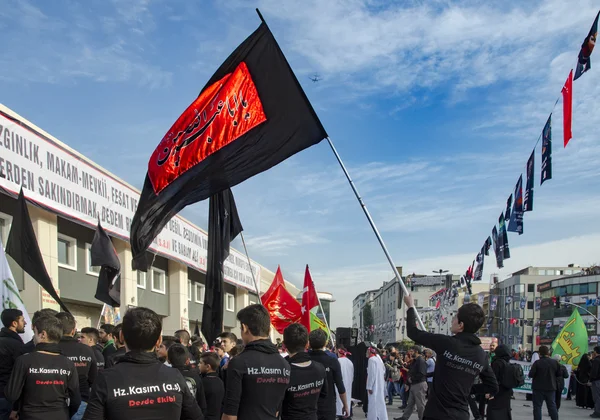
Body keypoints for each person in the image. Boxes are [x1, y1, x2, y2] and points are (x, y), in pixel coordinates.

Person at [82, 307, 202, 420]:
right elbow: (196, 417)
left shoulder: (106, 379)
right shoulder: (175, 376)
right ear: (159, 340)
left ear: (121, 336)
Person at [403, 294, 498, 420]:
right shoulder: (481, 355)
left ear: (461, 325)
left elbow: (413, 332)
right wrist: (468, 390)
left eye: (455, 317)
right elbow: (493, 386)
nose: (452, 320)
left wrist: (410, 307)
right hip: (460, 415)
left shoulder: (447, 343)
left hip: (436, 414)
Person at [5, 314, 81, 420]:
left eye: (35, 333)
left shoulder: (24, 360)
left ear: (43, 334)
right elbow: (76, 400)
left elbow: (11, 395)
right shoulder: (68, 363)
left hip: (31, 415)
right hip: (60, 414)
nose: (34, 338)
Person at [222, 304, 290, 420]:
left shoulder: (239, 363)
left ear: (244, 328)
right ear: (268, 330)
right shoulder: (284, 364)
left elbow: (230, 415)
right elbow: (277, 410)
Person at [55, 312, 98, 420]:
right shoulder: (87, 350)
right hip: (81, 401)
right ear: (73, 330)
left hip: (55, 403)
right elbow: (94, 379)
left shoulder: (50, 349)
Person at [281, 323, 326, 420]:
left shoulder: (284, 372)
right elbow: (323, 395)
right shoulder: (320, 368)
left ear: (284, 344)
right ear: (307, 344)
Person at [308, 329, 349, 420]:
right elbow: (340, 385)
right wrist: (345, 405)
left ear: (309, 343)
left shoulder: (304, 360)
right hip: (327, 407)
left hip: (308, 407)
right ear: (325, 343)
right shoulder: (332, 361)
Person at [0, 309, 27, 420]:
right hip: (7, 398)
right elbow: (19, 376)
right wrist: (16, 407)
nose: (25, 323)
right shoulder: (16, 345)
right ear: (14, 323)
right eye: (22, 320)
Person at [168, 344, 207, 414]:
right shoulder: (195, 377)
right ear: (188, 360)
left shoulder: (166, 376)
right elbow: (202, 402)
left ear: (168, 360)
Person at [528, 345, 560, 420]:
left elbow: (531, 375)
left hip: (538, 387)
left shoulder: (537, 363)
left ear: (539, 353)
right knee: (552, 406)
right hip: (551, 387)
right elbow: (559, 374)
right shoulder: (555, 362)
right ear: (548, 353)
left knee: (537, 407)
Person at [396, 346, 427, 420]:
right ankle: (404, 417)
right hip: (413, 384)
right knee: (410, 403)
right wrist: (407, 382)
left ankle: (422, 418)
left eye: (412, 351)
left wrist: (411, 379)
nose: (410, 353)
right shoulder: (415, 361)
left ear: (416, 351)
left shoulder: (421, 361)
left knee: (420, 405)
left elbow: (422, 374)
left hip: (419, 384)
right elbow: (410, 371)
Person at [486, 344, 512, 420]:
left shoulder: (497, 362)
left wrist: (490, 392)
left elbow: (494, 378)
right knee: (504, 411)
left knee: (492, 410)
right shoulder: (507, 362)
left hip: (497, 391)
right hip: (506, 391)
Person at [199, 352, 224, 420]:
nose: (198, 365)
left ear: (208, 367)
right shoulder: (220, 381)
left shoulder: (203, 382)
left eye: (201, 363)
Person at [366, 346, 388, 420]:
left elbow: (371, 374)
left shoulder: (371, 360)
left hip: (374, 385)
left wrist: (369, 386)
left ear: (370, 351)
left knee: (373, 403)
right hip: (379, 384)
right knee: (380, 402)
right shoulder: (378, 359)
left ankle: (374, 417)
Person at [336, 346, 354, 419]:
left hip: (339, 386)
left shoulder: (338, 361)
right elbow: (352, 376)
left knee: (339, 404)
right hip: (348, 385)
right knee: (347, 401)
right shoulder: (350, 362)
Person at [590, 346, 600, 418]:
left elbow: (594, 372)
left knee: (597, 397)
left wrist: (590, 379)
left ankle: (597, 412)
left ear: (596, 352)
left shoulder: (596, 360)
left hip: (597, 381)